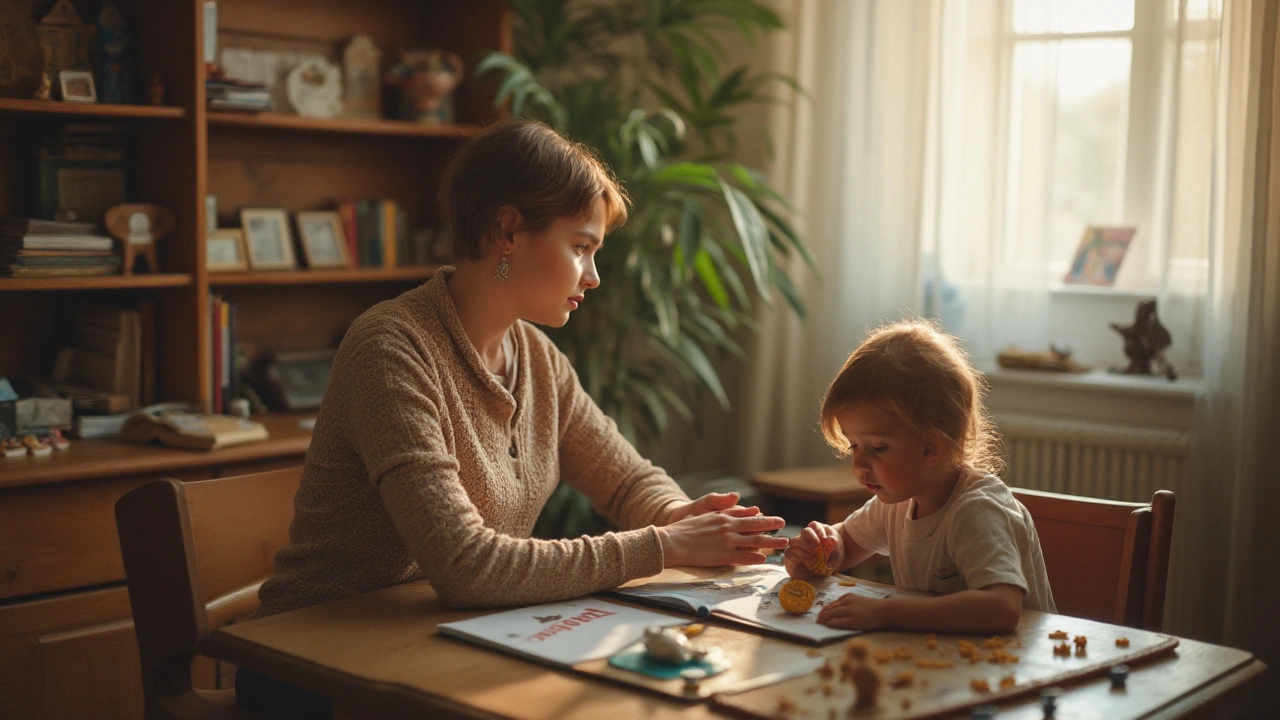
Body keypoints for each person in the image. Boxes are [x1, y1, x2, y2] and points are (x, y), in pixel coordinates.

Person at [238, 120, 787, 719]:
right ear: (508, 230)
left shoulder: (538, 358)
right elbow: (467, 568)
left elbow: (627, 481)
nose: (593, 276)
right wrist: (665, 544)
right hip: (314, 671)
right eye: (580, 247)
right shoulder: (391, 347)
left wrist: (687, 518)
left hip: (439, 644)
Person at [784, 320, 1055, 635]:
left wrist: (888, 611)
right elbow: (845, 544)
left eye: (878, 448)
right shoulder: (896, 502)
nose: (859, 464)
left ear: (931, 447)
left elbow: (1003, 609)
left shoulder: (977, 510)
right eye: (854, 445)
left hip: (1023, 670)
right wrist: (818, 551)